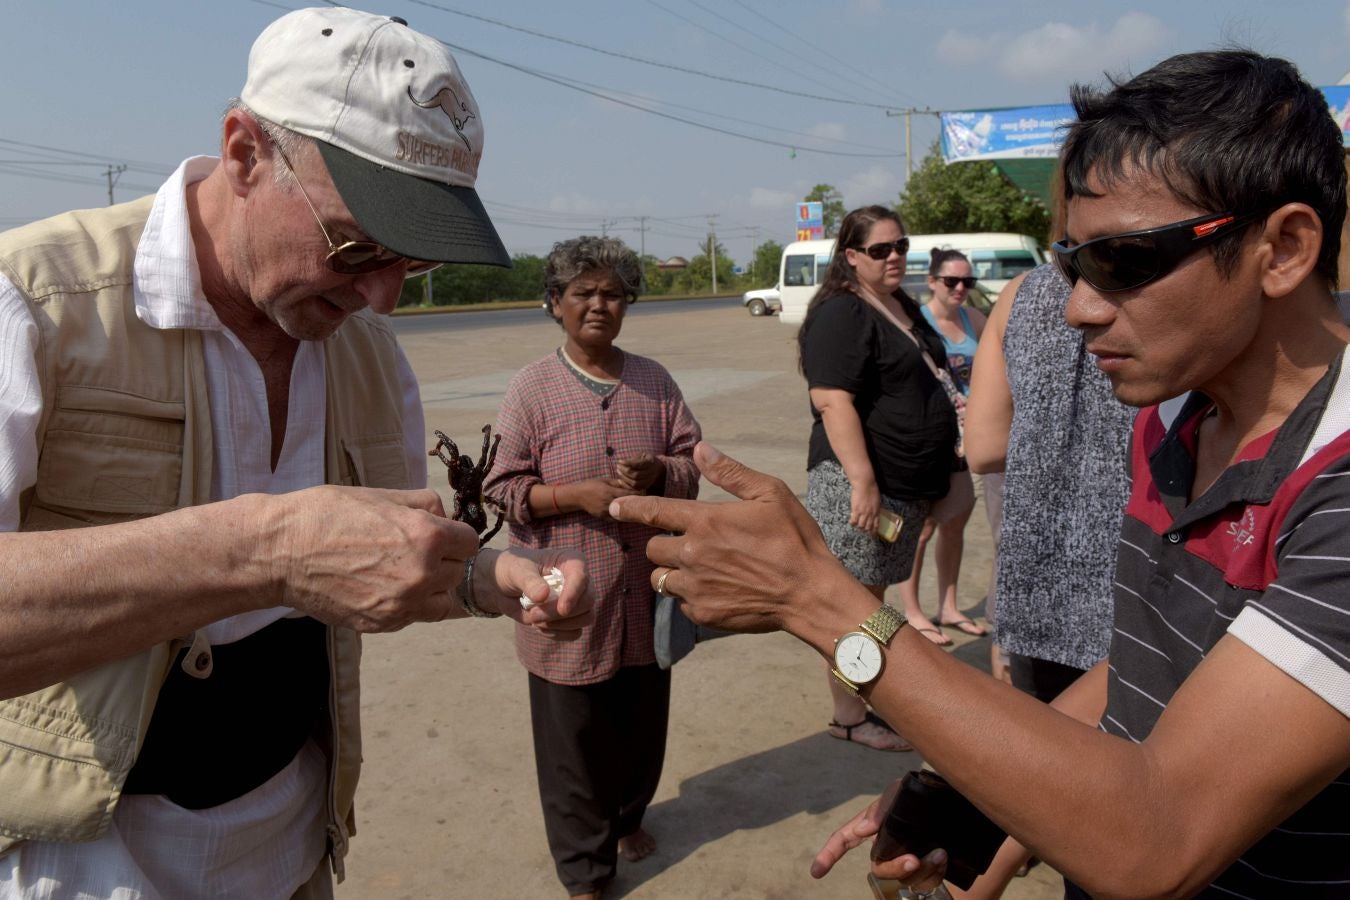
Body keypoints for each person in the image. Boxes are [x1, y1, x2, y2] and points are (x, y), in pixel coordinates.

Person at [611, 49, 1350, 899]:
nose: (1077, 307)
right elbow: (1147, 668)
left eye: (1125, 262)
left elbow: (1162, 835)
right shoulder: (1176, 419)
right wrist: (980, 789)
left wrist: (818, 601)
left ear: (1286, 247)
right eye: (1073, 264)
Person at [0, 9, 592, 897]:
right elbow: (289, 556)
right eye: (357, 245)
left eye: (415, 264)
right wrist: (266, 551)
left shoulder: (365, 353)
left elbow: (366, 563)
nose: (383, 297)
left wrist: (478, 581)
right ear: (244, 152)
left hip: (289, 853)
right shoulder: (38, 305)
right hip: (79, 869)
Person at [483, 236, 701, 899]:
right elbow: (500, 488)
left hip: (645, 595)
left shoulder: (655, 382)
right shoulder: (531, 389)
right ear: (555, 304)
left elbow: (693, 465)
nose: (598, 305)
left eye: (612, 293)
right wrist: (571, 496)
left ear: (628, 303)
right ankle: (585, 871)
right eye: (583, 293)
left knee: (640, 729)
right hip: (566, 605)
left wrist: (660, 470)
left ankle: (628, 816)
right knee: (571, 747)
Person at [797, 206, 959, 752]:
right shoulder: (843, 312)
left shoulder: (898, 304)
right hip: (862, 487)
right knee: (853, 606)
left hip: (901, 488)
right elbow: (831, 400)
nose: (894, 257)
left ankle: (861, 699)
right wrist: (863, 482)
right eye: (879, 250)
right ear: (850, 256)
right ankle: (848, 714)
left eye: (901, 246)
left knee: (871, 600)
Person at [965, 261, 1134, 704]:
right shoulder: (1177, 280)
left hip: (1039, 600)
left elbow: (982, 447)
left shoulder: (1020, 294)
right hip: (1141, 602)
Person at [897, 248, 989, 643]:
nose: (960, 289)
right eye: (951, 281)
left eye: (967, 282)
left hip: (969, 438)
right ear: (932, 281)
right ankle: (913, 611)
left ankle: (948, 607)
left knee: (955, 525)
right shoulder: (918, 321)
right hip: (933, 438)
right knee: (922, 529)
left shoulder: (975, 319)